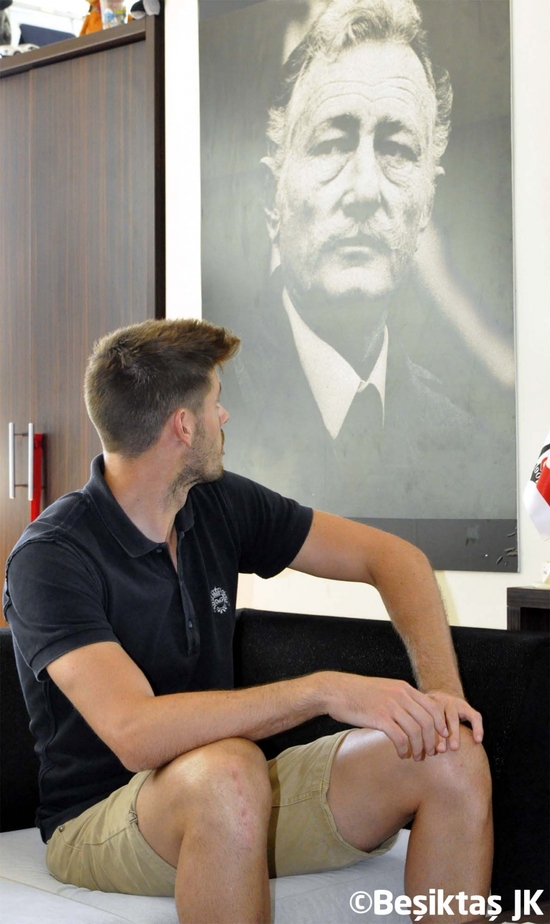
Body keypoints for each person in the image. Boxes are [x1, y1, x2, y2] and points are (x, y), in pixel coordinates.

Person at [4, 317, 492, 924]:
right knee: (229, 770)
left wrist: (443, 695)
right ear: (184, 426)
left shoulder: (216, 504)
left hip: (233, 792)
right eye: (215, 401)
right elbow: (136, 734)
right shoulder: (51, 556)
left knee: (451, 754)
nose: (224, 416)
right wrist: (324, 690)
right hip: (101, 819)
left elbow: (395, 560)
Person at [212, 0, 515, 522]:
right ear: (270, 197)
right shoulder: (204, 416)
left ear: (427, 204)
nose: (365, 191)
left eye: (397, 149)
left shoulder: (472, 447)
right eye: (333, 144)